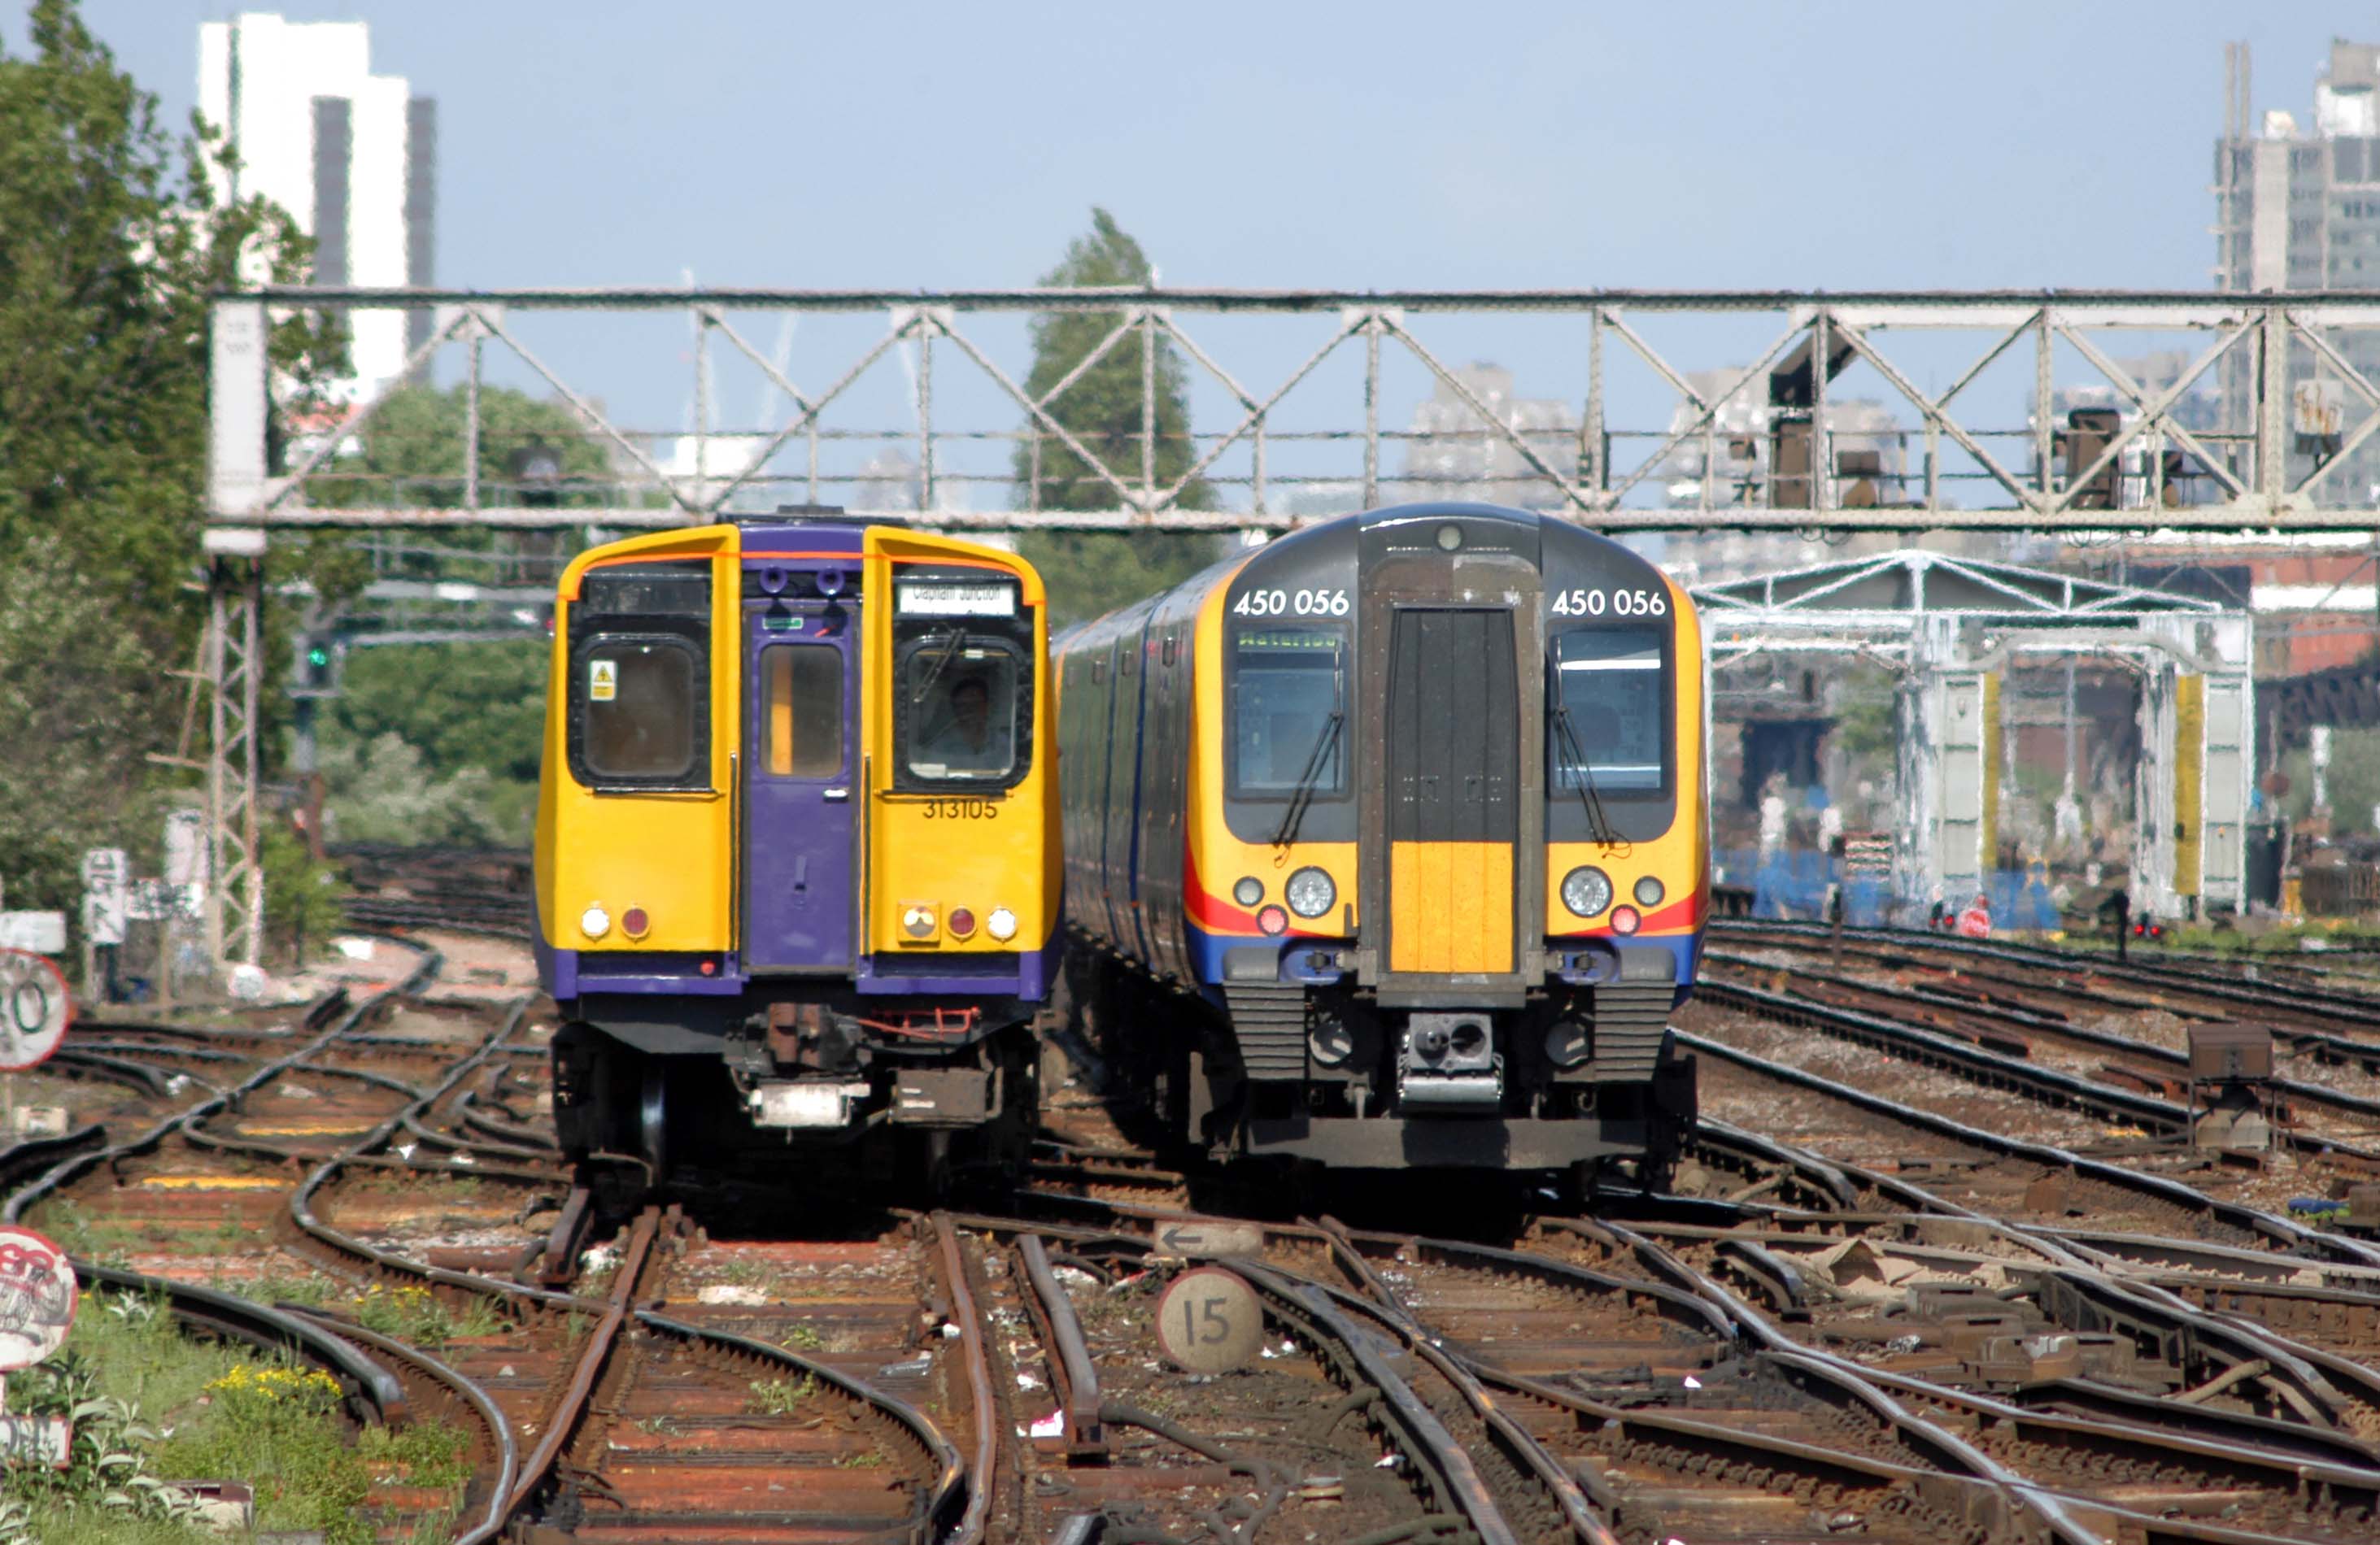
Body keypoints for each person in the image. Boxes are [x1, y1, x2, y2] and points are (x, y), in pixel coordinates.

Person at [914, 672, 1009, 776]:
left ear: (987, 707)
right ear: (955, 710)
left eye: (976, 703)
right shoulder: (940, 747)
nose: (970, 710)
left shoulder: (1003, 743)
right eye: (963, 705)